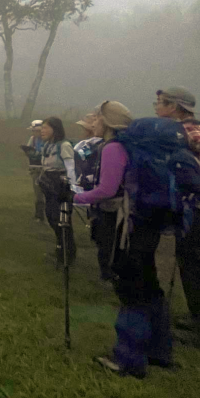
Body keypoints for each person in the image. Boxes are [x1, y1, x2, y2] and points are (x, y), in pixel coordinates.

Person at [74, 101, 174, 378]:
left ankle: (129, 360)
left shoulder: (113, 148)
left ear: (107, 122)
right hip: (147, 222)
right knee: (150, 285)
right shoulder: (137, 146)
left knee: (131, 291)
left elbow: (106, 190)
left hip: (124, 226)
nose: (93, 121)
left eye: (97, 118)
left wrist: (74, 197)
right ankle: (160, 351)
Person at [155, 86, 200, 357]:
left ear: (175, 107)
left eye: (161, 103)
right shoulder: (181, 130)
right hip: (196, 210)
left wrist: (193, 176)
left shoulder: (188, 128)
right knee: (191, 266)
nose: (156, 107)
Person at [73, 113, 112, 281]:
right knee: (99, 230)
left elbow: (80, 161)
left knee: (104, 235)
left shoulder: (93, 146)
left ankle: (108, 272)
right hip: (93, 191)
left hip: (97, 193)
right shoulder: (90, 144)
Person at [38, 117, 77, 268]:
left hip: (61, 187)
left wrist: (71, 188)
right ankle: (61, 249)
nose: (42, 130)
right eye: (42, 127)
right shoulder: (48, 145)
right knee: (52, 218)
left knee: (62, 221)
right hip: (48, 186)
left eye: (46, 127)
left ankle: (67, 254)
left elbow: (70, 167)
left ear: (55, 129)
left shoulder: (64, 145)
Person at [21, 120, 46, 222]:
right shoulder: (32, 139)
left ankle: (50, 214)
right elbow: (29, 151)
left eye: (37, 131)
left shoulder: (48, 140)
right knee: (38, 191)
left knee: (48, 192)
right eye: (34, 131)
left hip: (46, 169)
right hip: (35, 168)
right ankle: (39, 215)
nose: (35, 133)